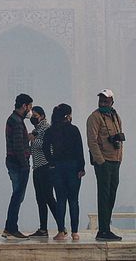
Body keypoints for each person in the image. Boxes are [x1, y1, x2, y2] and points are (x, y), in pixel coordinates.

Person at [86, 89, 125, 241]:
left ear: (112, 102)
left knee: (111, 195)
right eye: (101, 101)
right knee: (104, 195)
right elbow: (92, 141)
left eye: (105, 101)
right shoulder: (94, 117)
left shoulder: (115, 116)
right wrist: (100, 160)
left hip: (115, 160)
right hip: (103, 162)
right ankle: (103, 230)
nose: (102, 103)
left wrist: (120, 157)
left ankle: (106, 227)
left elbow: (118, 138)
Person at [43, 103, 85, 241]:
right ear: (67, 116)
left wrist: (51, 161)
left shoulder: (51, 130)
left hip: (57, 167)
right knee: (74, 200)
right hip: (73, 167)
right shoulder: (74, 130)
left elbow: (45, 148)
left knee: (61, 200)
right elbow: (79, 150)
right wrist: (81, 168)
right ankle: (75, 233)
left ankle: (61, 231)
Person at [3, 93, 33, 239]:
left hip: (14, 162)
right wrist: (24, 164)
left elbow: (20, 139)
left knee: (17, 196)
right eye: (30, 107)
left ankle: (9, 227)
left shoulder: (16, 120)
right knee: (17, 196)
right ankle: (12, 228)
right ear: (24, 106)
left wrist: (28, 137)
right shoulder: (16, 121)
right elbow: (18, 145)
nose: (30, 110)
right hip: (18, 163)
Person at [28, 106, 60, 238]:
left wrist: (32, 139)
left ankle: (61, 226)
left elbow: (46, 145)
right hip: (37, 167)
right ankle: (43, 229)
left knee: (49, 198)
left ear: (41, 115)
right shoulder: (36, 130)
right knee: (40, 199)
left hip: (46, 167)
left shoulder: (46, 128)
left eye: (35, 115)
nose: (33, 118)